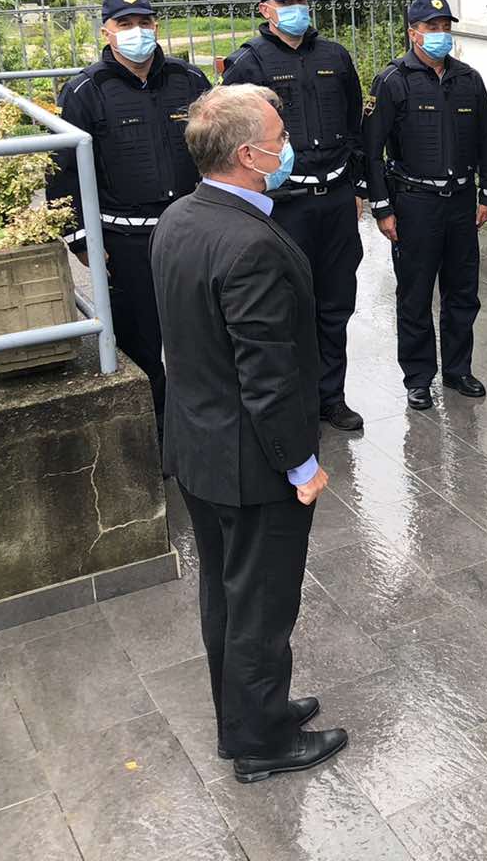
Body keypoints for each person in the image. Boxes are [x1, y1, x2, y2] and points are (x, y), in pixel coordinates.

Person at [151, 83, 348, 785]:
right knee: (261, 604)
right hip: (251, 462)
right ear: (247, 155)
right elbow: (269, 375)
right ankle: (261, 744)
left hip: (199, 448)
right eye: (279, 136)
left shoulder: (179, 217)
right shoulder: (251, 244)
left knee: (226, 595)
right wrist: (301, 465)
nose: (289, 144)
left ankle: (245, 717)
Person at [48, 0, 211, 435]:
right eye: (125, 24)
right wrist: (81, 240)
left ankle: (204, 431)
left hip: (189, 229)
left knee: (202, 333)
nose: (136, 31)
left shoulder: (189, 80)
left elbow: (217, 148)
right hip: (125, 240)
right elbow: (61, 171)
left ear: (156, 26)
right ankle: (158, 436)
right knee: (141, 342)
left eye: (144, 22)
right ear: (107, 31)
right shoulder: (85, 90)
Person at [222, 0, 368, 433]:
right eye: (286, 4)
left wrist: (358, 187)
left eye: (301, 1)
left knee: (335, 303)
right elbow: (232, 139)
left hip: (335, 199)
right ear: (265, 10)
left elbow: (355, 124)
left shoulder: (334, 56)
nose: (296, 10)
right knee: (284, 309)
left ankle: (331, 397)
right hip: (285, 204)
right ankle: (294, 405)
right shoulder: (247, 63)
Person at [363, 0, 487, 410]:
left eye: (445, 27)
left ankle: (458, 369)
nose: (441, 34)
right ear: (413, 33)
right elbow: (371, 151)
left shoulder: (468, 79)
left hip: (460, 202)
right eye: (432, 27)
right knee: (415, 294)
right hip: (415, 203)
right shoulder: (392, 81)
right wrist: (382, 208)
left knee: (463, 292)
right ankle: (419, 378)